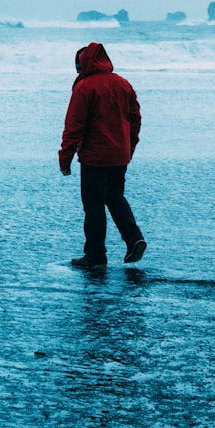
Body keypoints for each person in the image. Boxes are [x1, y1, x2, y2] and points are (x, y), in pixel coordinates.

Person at [59, 42, 146, 268]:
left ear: (84, 64)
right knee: (115, 196)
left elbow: (74, 126)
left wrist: (65, 157)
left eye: (78, 65)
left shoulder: (85, 87)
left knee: (94, 205)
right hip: (120, 154)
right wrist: (130, 147)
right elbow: (135, 119)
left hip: (95, 157)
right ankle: (134, 238)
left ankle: (95, 256)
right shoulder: (123, 84)